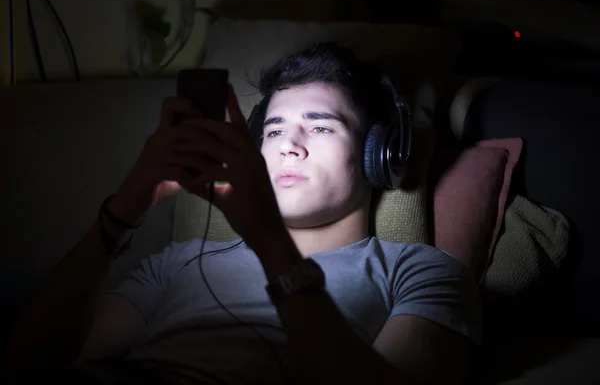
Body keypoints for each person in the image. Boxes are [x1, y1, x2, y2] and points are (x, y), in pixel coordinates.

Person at [1, 43, 481, 384]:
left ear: (381, 154)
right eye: (272, 132)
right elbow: (29, 363)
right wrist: (124, 207)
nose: (288, 147)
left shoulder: (419, 273)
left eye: (320, 127)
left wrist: (267, 239)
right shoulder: (180, 261)